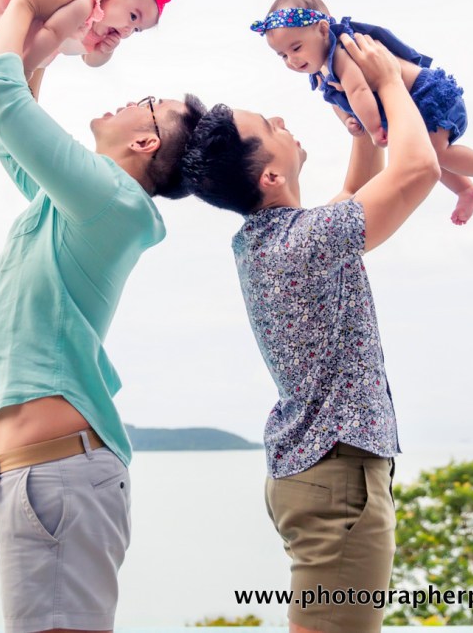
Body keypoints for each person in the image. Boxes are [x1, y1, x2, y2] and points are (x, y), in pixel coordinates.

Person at [0, 0, 203, 633]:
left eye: (148, 104)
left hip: (57, 478)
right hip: (33, 478)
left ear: (146, 143)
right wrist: (43, 43)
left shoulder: (112, 201)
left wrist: (26, 3)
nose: (131, 96)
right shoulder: (79, 200)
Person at [182, 33, 441, 633]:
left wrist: (361, 132)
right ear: (271, 175)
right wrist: (389, 83)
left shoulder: (266, 241)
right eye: (266, 125)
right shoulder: (305, 243)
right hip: (337, 479)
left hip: (317, 474)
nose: (279, 118)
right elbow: (419, 169)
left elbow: (352, 199)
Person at [251, 0, 473, 225]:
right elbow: (335, 100)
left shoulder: (341, 54)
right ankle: (465, 190)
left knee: (435, 153)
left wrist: (373, 128)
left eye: (296, 48)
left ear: (323, 30)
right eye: (283, 56)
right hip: (410, 105)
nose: (292, 60)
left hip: (428, 96)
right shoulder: (320, 71)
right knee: (430, 154)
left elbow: (358, 91)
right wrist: (347, 120)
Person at [0, 0, 171, 135]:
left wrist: (104, 52)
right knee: (8, 63)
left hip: (32, 41)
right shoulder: (85, 3)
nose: (128, 30)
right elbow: (52, 32)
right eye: (133, 17)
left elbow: (89, 60)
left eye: (136, 30)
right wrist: (23, 71)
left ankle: (10, 119)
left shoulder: (105, 28)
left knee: (27, 93)